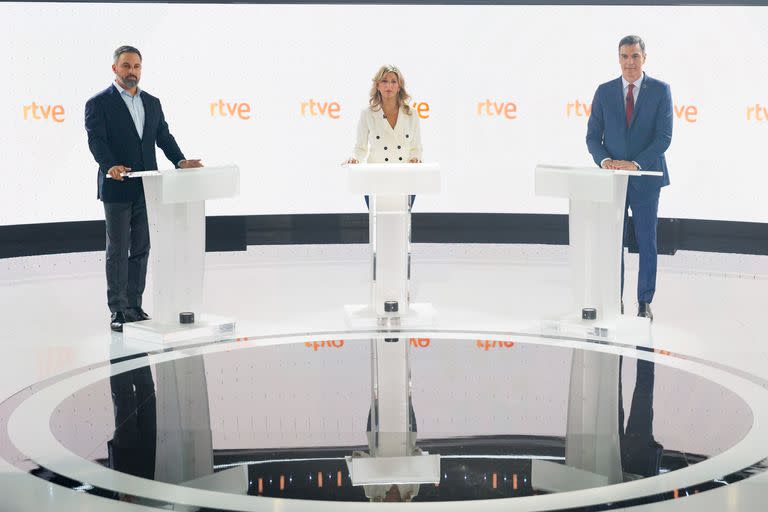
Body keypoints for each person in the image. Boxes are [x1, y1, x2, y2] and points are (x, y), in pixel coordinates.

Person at [85, 45, 203, 332]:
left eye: (136, 66)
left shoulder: (152, 102)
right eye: (126, 66)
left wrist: (180, 160)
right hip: (117, 186)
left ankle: (134, 306)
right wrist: (109, 165)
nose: (132, 72)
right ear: (115, 68)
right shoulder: (98, 103)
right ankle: (118, 310)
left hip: (147, 188)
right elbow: (96, 140)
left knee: (141, 248)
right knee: (118, 250)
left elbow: (162, 135)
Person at [586, 35, 673, 321]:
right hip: (612, 181)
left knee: (647, 241)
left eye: (635, 56)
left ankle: (644, 301)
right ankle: (615, 299)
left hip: (646, 179)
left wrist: (635, 164)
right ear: (619, 59)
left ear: (644, 58)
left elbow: (663, 137)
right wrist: (606, 161)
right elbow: (592, 137)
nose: (630, 62)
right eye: (624, 56)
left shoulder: (661, 91)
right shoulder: (604, 91)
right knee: (614, 243)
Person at [345, 65, 423, 208]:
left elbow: (416, 147)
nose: (389, 86)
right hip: (375, 178)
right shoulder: (367, 114)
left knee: (402, 224)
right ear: (378, 85)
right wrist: (355, 159)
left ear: (399, 86)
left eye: (394, 81)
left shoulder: (411, 114)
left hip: (405, 179)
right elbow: (360, 147)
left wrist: (415, 159)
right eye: (384, 81)